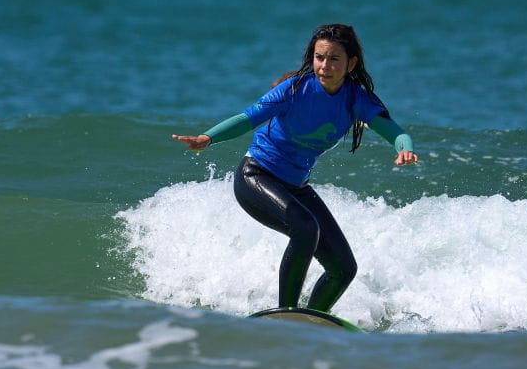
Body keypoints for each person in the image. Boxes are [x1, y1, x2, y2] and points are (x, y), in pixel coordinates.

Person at [172, 24, 418, 313]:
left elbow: (395, 132)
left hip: (296, 187)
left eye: (334, 59)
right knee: (305, 228)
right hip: (257, 176)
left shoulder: (356, 100)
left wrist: (405, 149)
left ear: (350, 63)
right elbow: (248, 117)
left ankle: (312, 319)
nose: (324, 66)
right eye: (319, 57)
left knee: (344, 268)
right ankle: (285, 314)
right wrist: (208, 138)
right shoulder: (295, 89)